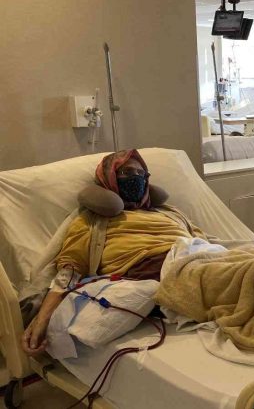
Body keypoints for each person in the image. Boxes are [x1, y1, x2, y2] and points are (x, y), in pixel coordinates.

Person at [22, 149, 205, 357]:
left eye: (141, 173)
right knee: (223, 280)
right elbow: (69, 272)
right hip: (157, 269)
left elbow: (205, 243)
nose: (136, 178)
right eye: (127, 172)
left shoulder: (170, 212)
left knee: (230, 269)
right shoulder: (92, 220)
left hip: (196, 257)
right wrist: (42, 320)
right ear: (108, 178)